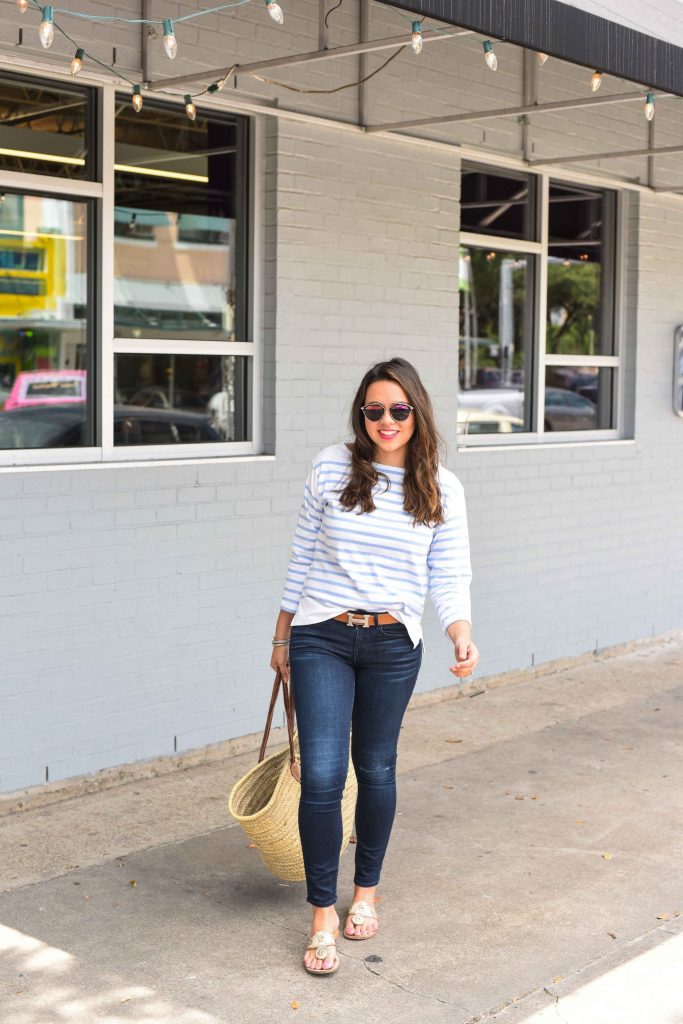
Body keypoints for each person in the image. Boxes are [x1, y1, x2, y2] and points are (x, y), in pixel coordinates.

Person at [270, 357, 479, 976]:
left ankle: (365, 892)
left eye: (398, 409)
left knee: (377, 766)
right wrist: (282, 635)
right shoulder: (332, 466)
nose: (385, 421)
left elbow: (450, 572)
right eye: (373, 410)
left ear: (417, 411)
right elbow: (303, 550)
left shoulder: (441, 487)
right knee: (325, 776)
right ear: (361, 415)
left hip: (394, 643)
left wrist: (459, 631)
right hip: (322, 636)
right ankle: (321, 915)